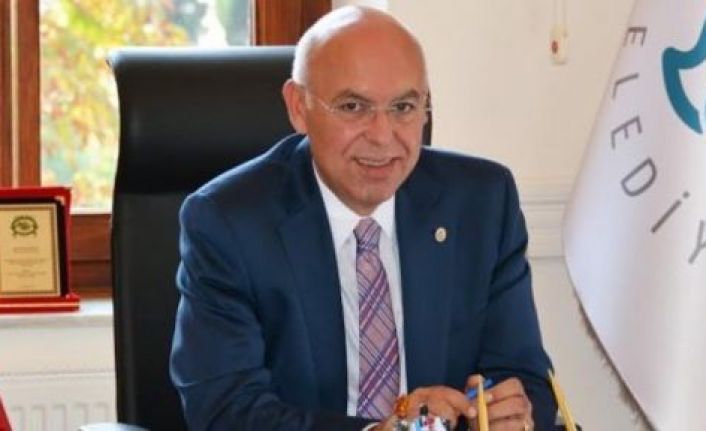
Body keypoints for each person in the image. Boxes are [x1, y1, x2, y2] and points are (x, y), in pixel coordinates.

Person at [170, 6, 557, 431]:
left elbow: (526, 378)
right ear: (298, 107)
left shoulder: (481, 203)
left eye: (403, 106)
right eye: (353, 106)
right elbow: (226, 411)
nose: (382, 135)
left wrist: (506, 413)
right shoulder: (229, 222)